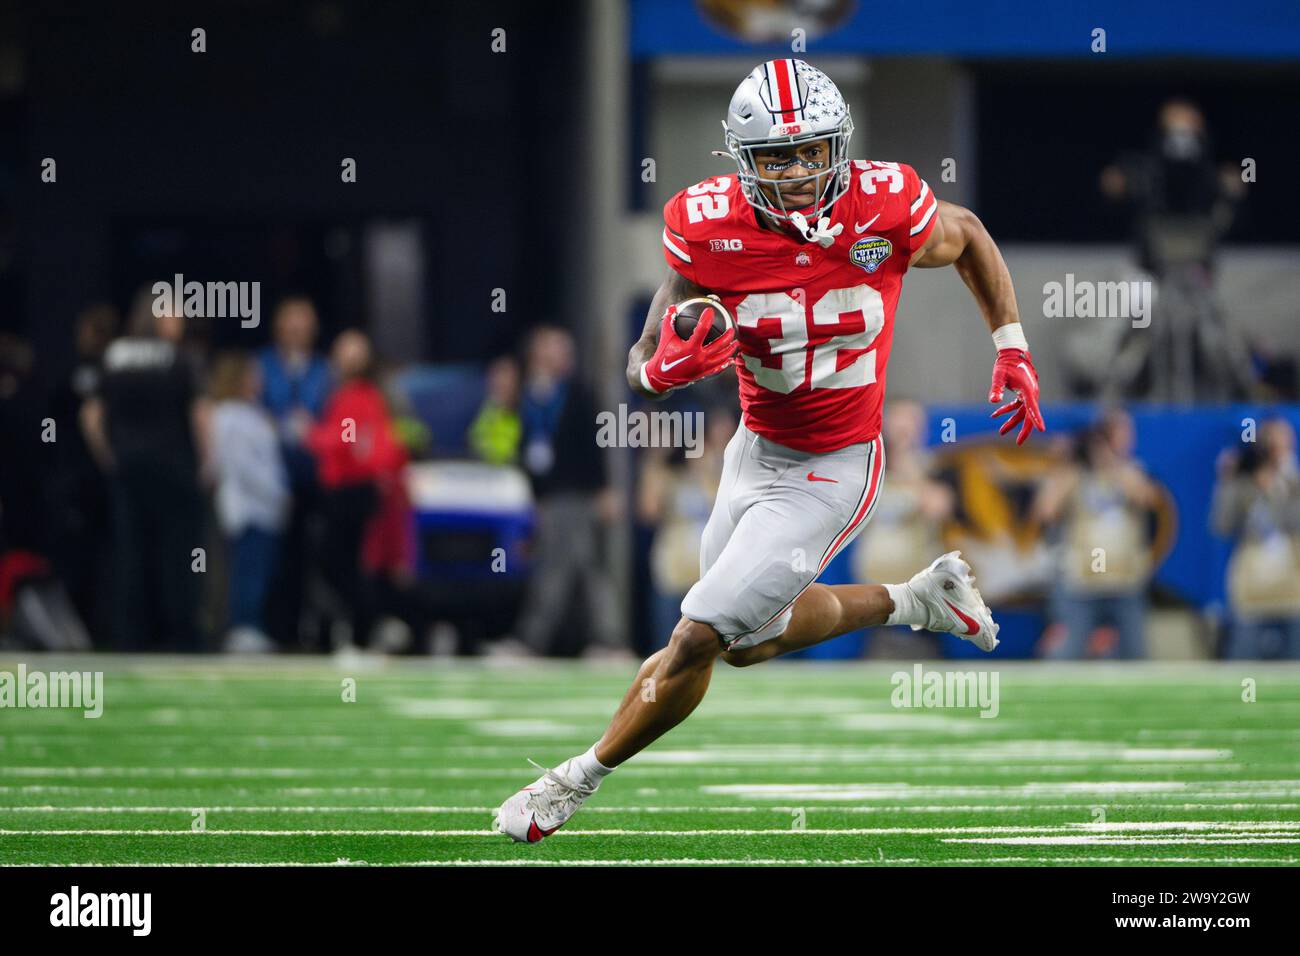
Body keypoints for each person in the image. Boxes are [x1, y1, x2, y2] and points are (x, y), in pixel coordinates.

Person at [493, 59, 1044, 842]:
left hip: (836, 464)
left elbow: (971, 239)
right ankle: (920, 598)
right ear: (742, 161)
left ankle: (570, 782)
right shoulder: (707, 225)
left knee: (697, 634)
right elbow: (645, 358)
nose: (797, 170)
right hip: (753, 452)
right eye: (777, 157)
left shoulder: (884, 203)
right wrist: (663, 370)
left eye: (812, 150)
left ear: (838, 146)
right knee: (748, 645)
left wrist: (1012, 347)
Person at [81, 290, 208, 651]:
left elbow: (91, 416)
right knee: (180, 554)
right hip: (175, 469)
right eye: (173, 314)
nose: (179, 321)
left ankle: (132, 636)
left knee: (131, 553)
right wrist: (205, 463)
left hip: (129, 470)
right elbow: (200, 415)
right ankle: (181, 636)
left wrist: (110, 456)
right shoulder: (182, 358)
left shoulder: (115, 355)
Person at [512, 325, 621, 656]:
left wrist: (604, 490)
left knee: (586, 569)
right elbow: (525, 449)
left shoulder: (579, 393)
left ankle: (606, 640)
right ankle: (533, 640)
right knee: (555, 569)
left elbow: (595, 446)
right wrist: (533, 497)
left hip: (580, 495)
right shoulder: (529, 396)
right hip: (550, 498)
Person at [1033, 409, 1160, 659]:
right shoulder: (1074, 475)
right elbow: (1045, 511)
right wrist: (1068, 462)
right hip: (1080, 582)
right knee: (1066, 653)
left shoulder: (1132, 471)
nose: (1125, 440)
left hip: (1124, 581)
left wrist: (1110, 463)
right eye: (1117, 434)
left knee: (1136, 656)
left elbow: (1148, 498)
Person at [307, 329, 407, 649]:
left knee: (339, 564)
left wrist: (310, 435)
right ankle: (364, 627)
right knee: (344, 563)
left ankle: (367, 627)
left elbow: (347, 440)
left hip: (351, 490)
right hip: (353, 490)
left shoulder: (357, 396)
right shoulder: (357, 395)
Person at [259, 297, 333, 648]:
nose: (296, 330)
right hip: (269, 480)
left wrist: (315, 431)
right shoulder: (261, 366)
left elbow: (337, 420)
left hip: (314, 480)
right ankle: (273, 630)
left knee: (313, 558)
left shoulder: (325, 371)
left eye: (303, 324)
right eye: (290, 322)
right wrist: (273, 425)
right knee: (272, 558)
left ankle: (314, 632)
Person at [209, 352, 290, 652]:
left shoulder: (253, 413)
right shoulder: (229, 415)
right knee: (248, 571)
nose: (259, 380)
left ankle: (251, 624)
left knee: (260, 569)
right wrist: (277, 492)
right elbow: (242, 465)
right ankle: (242, 626)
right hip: (248, 507)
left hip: (265, 508)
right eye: (252, 375)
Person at [1212, 418, 1300, 658]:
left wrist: (1278, 488)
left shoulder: (1293, 483)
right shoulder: (1244, 485)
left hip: (1292, 591)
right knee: (1242, 671)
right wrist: (1227, 480)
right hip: (1252, 590)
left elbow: (1294, 523)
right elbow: (1221, 526)